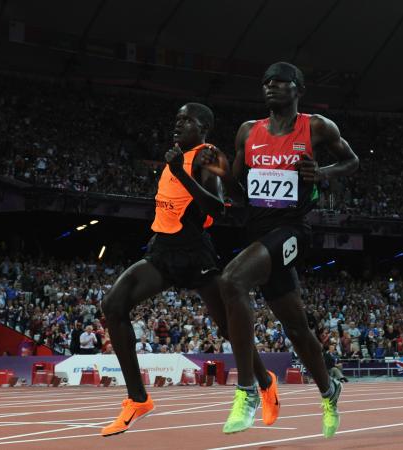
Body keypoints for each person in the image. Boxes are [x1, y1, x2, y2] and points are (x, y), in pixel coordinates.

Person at [100, 103, 279, 437]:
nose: (178, 124)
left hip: (195, 254)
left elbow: (218, 207)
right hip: (162, 252)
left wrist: (181, 173)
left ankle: (266, 383)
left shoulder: (207, 155)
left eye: (187, 120)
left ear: (204, 128)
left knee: (228, 328)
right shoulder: (177, 155)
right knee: (112, 305)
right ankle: (138, 399)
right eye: (177, 118)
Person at [203, 62, 359, 437]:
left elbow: (352, 161)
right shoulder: (248, 131)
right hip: (257, 231)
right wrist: (216, 172)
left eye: (280, 83)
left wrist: (322, 174)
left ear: (298, 89)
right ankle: (328, 389)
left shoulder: (317, 127)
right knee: (297, 329)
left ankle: (248, 392)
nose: (271, 87)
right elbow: (238, 185)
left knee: (233, 280)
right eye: (266, 83)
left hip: (292, 230)